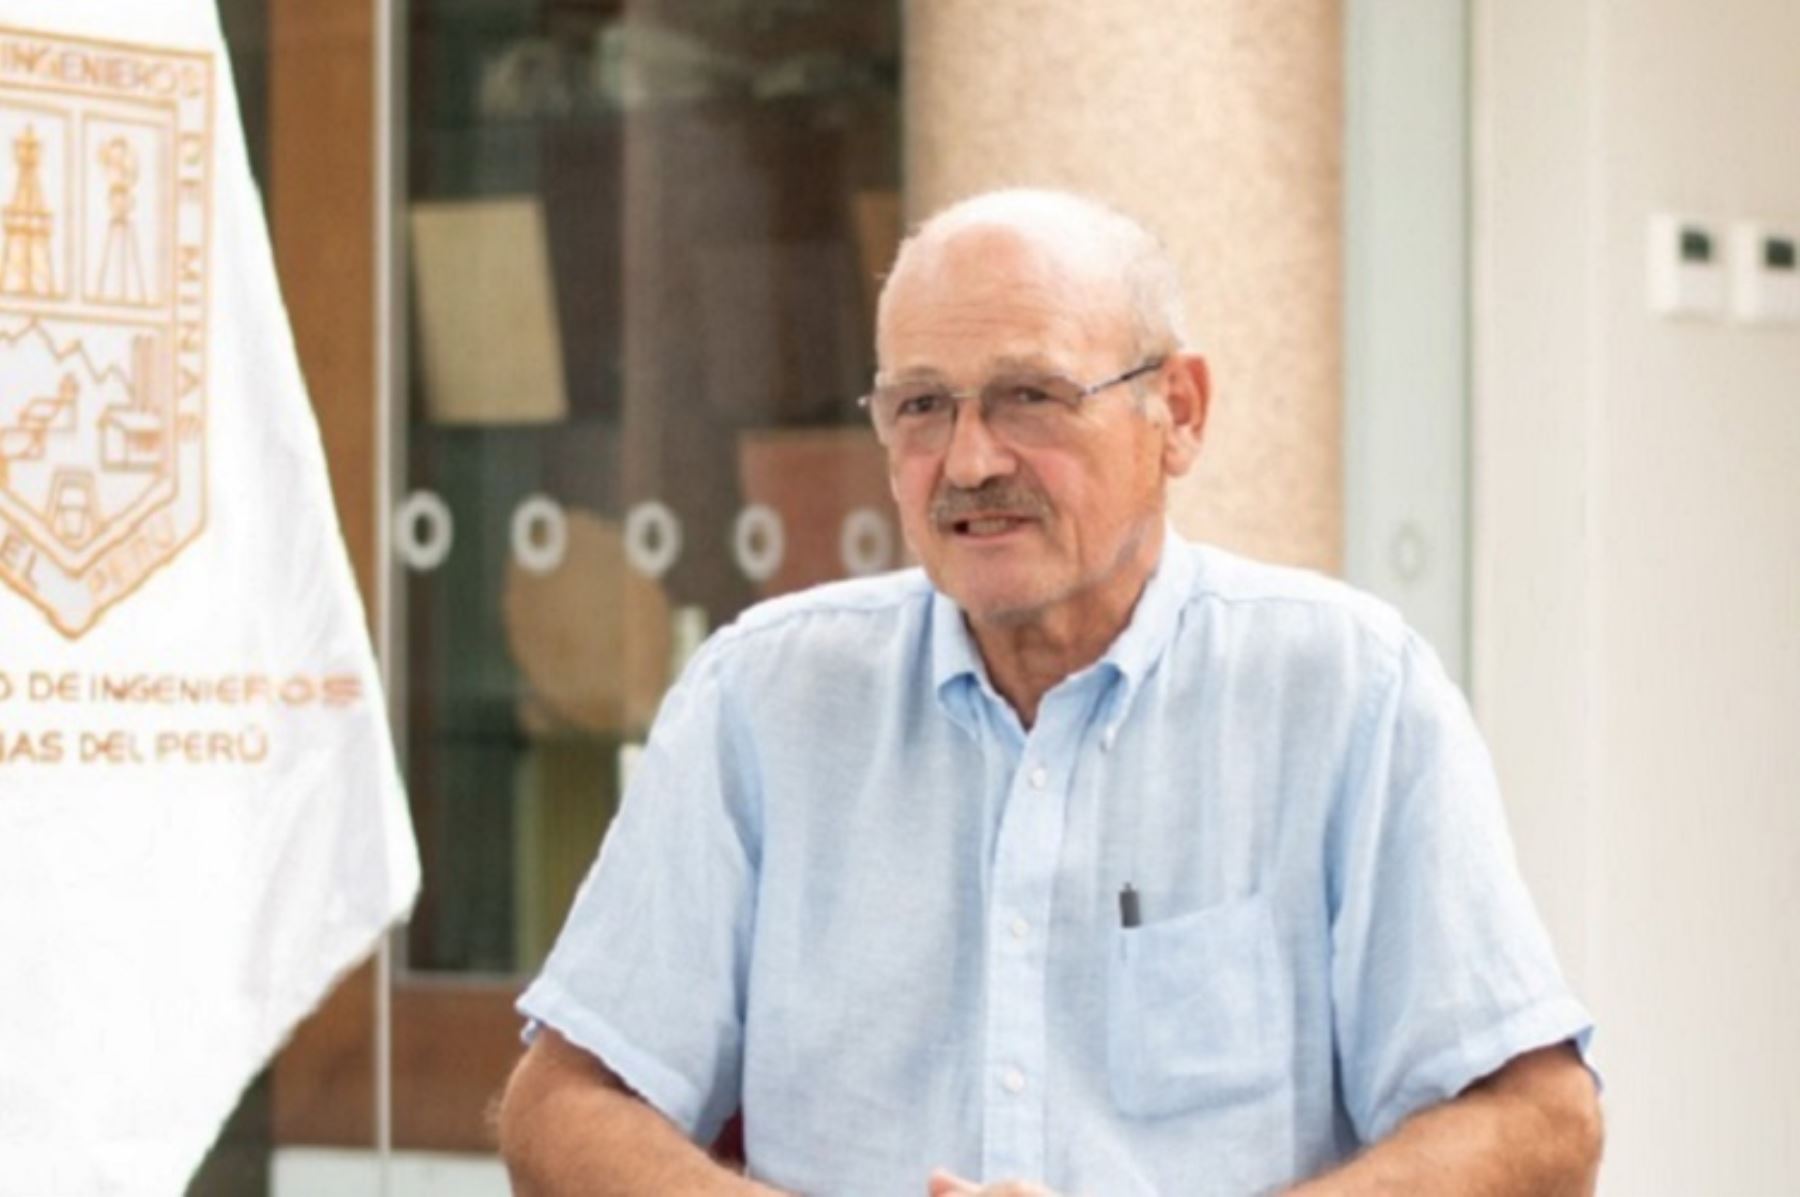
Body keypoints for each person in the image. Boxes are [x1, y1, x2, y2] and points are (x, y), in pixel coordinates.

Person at [496, 189, 1603, 1196]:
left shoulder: (1345, 692)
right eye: (922, 407)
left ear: (1180, 410)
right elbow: (561, 1108)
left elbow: (1540, 1122)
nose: (971, 460)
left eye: (1030, 397)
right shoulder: (767, 700)